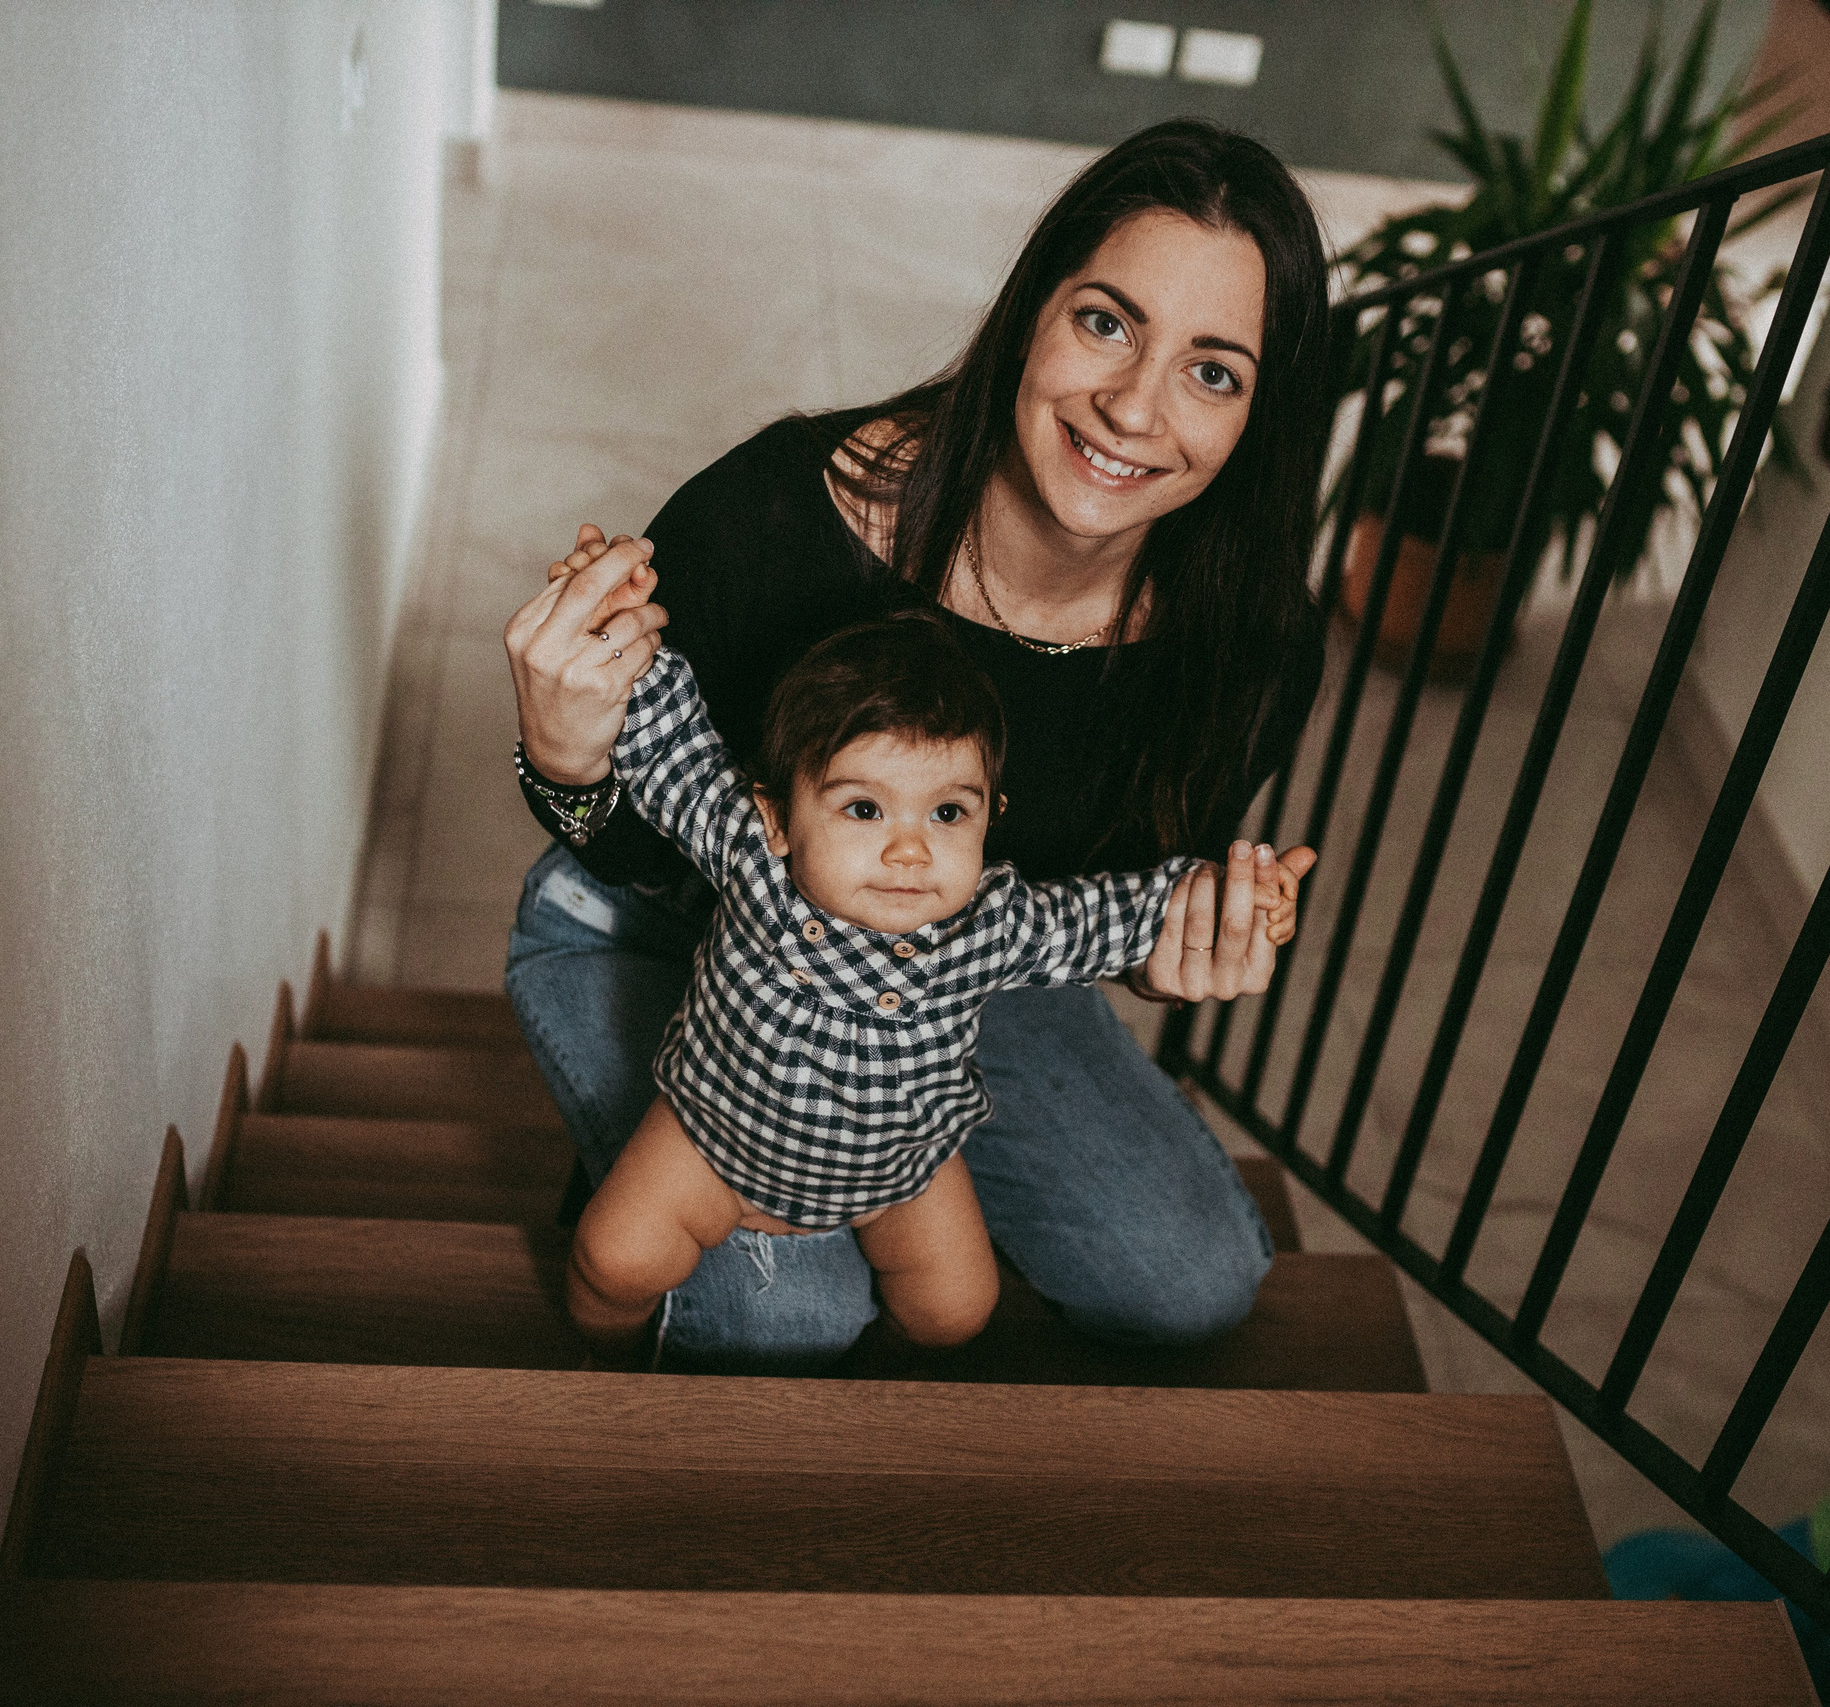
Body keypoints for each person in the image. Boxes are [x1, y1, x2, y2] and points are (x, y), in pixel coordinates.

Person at [504, 117, 1333, 1373]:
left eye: (1212, 372)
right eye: (1105, 323)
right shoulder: (777, 512)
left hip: (943, 972)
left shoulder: (1248, 646)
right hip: (656, 923)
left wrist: (1182, 947)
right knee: (783, 1321)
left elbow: (1105, 902)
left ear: (1261, 417)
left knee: (1188, 1279)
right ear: (1032, 311)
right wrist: (569, 762)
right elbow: (644, 821)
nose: (1132, 407)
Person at [562, 609, 1301, 1365]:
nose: (910, 849)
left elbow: (1108, 916)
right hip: (712, 1141)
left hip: (899, 1169)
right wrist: (621, 635)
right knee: (614, 1259)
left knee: (957, 1309)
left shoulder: (991, 921)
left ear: (990, 819)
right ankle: (604, 1369)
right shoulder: (753, 855)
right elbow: (674, 754)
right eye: (864, 808)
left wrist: (1223, 900)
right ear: (778, 816)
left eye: (948, 812)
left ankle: (882, 1391)